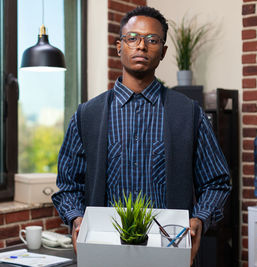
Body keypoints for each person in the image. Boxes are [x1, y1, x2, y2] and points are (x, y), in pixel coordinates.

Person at [52, 6, 231, 266]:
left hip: (169, 249)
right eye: (133, 38)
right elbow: (69, 185)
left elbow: (216, 182)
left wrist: (199, 220)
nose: (142, 46)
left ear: (163, 51)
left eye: (152, 40)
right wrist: (77, 219)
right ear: (119, 47)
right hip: (103, 250)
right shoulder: (87, 115)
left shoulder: (189, 114)